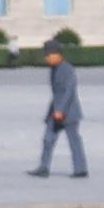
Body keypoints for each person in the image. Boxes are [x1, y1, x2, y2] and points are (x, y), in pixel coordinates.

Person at [29, 44, 86, 178]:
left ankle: (80, 169)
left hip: (69, 113)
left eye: (48, 56)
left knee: (74, 141)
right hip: (55, 113)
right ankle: (44, 167)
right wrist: (51, 112)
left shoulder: (67, 69)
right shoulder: (54, 69)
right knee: (48, 140)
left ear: (57, 54)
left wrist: (60, 110)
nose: (46, 59)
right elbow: (56, 94)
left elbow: (68, 91)